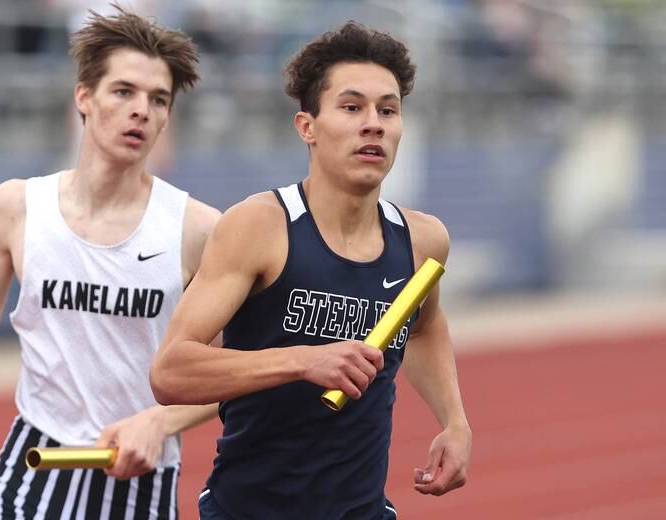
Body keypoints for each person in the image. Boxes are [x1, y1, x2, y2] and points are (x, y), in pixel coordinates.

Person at [150, 21, 472, 519]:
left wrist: (454, 420)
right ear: (308, 127)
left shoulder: (424, 241)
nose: (374, 124)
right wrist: (304, 361)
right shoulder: (259, 226)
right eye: (351, 107)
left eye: (388, 110)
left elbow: (424, 325)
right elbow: (171, 372)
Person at [0, 5, 220, 518]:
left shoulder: (197, 229)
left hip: (141, 473)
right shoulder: (17, 206)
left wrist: (159, 422)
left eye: (158, 100)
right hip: (37, 467)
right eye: (123, 92)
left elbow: (234, 372)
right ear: (84, 97)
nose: (142, 111)